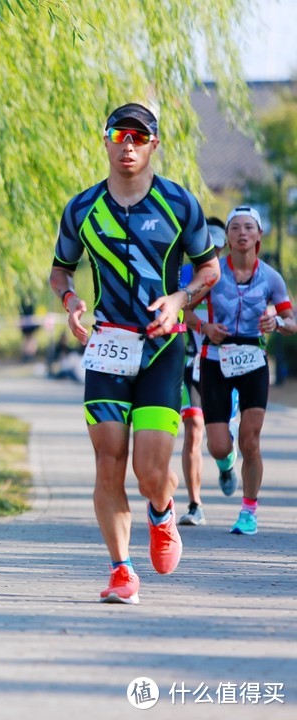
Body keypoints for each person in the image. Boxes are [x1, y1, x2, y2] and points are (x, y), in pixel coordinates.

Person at [49, 102, 220, 605]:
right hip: (106, 346)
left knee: (149, 471)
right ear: (104, 140)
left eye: (139, 137)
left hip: (162, 348)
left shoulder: (178, 203)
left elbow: (208, 270)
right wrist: (70, 300)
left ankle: (162, 511)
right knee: (108, 462)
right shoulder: (82, 208)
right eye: (119, 135)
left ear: (153, 145)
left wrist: (179, 299)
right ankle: (122, 570)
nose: (128, 145)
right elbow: (61, 268)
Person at [197, 205, 295, 536]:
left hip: (253, 358)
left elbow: (292, 321)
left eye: (248, 227)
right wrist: (206, 327)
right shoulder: (211, 274)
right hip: (215, 359)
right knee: (219, 445)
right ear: (226, 236)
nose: (242, 233)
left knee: (250, 439)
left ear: (259, 236)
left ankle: (249, 511)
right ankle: (226, 465)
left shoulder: (271, 277)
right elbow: (184, 310)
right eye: (235, 227)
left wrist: (277, 321)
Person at [177, 216, 228, 526]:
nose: (211, 255)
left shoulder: (234, 278)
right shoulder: (182, 275)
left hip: (230, 365)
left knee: (222, 442)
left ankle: (225, 462)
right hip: (193, 360)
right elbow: (179, 306)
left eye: (217, 250)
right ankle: (195, 504)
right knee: (193, 429)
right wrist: (202, 326)